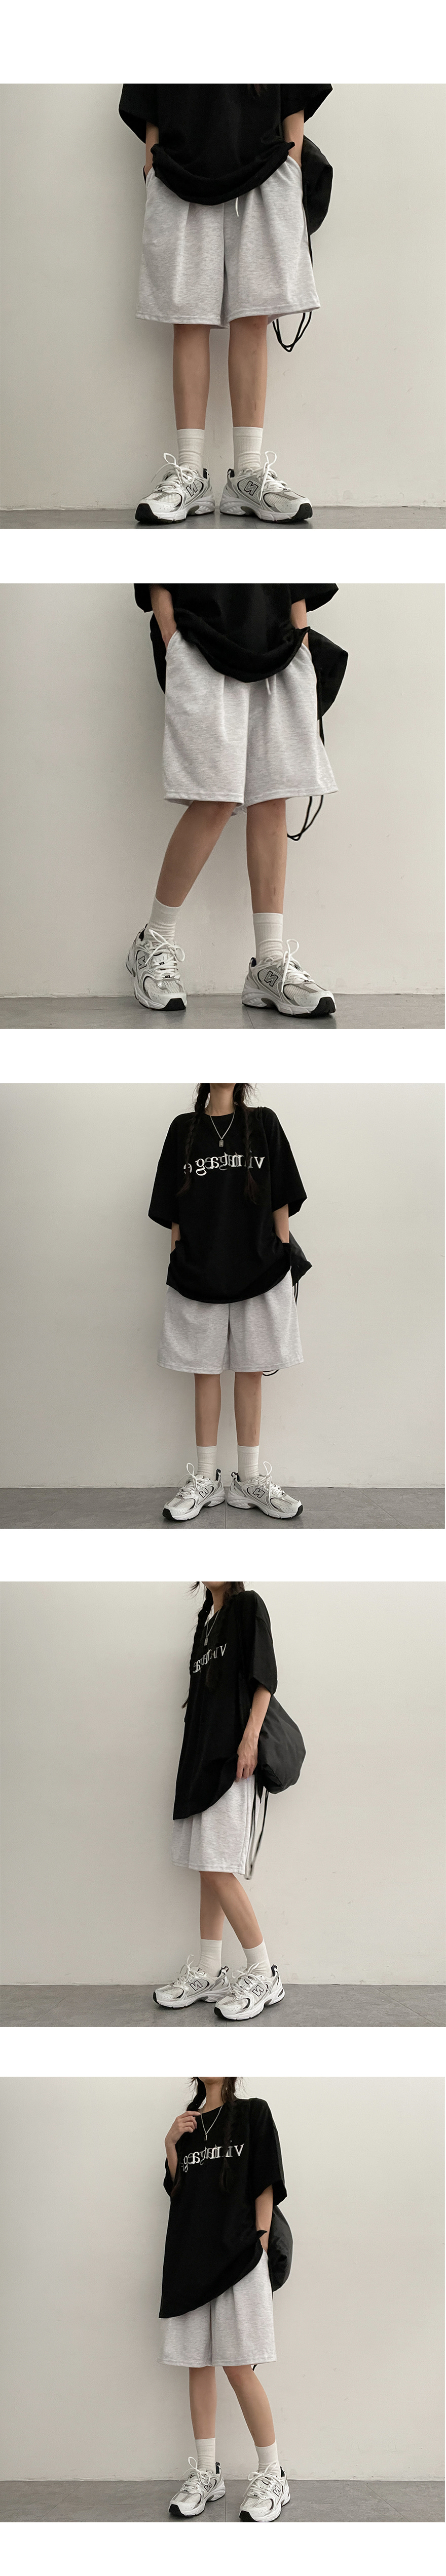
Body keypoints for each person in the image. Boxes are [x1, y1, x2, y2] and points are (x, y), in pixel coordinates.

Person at [128, 582, 347, 1017]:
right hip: (201, 640)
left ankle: (269, 962)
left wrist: (302, 643)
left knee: (272, 797)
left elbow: (296, 572)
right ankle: (154, 941)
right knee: (213, 798)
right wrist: (172, 637)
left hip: (280, 645)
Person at [119, 82, 331, 523]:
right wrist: (152, 165)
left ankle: (248, 476)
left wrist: (292, 167)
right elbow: (148, 87)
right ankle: (191, 474)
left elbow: (295, 84)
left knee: (253, 318)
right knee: (188, 318)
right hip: (177, 170)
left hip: (268, 168)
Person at [148, 1081, 310, 1522]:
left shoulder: (263, 1123)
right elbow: (173, 1206)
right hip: (199, 1270)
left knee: (251, 1369)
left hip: (260, 1266)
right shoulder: (183, 1129)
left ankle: (249, 1480)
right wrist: (178, 1254)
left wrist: (282, 1250)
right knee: (204, 1371)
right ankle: (206, 1479)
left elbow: (282, 1193)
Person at [161, 2075, 290, 2521]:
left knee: (239, 2365)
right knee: (197, 2364)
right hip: (190, 2258)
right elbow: (180, 2193)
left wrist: (260, 2243)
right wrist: (171, 2143)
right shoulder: (188, 2124)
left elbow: (265, 2181)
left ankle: (273, 2473)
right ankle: (207, 2473)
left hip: (240, 2256)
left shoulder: (254, 2112)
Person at [155, 1580, 284, 2021]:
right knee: (205, 1866)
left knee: (218, 1866)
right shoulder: (206, 1624)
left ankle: (264, 1971)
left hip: (232, 1761)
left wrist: (250, 1740)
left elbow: (265, 1678)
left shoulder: (248, 1606)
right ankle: (210, 1969)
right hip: (201, 1761)